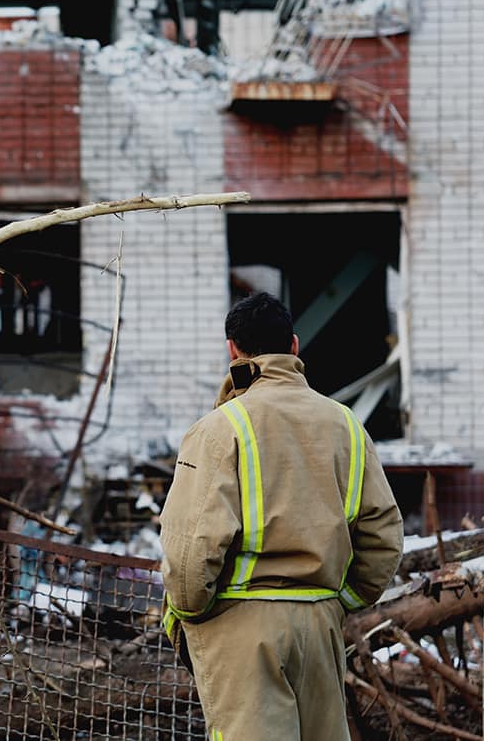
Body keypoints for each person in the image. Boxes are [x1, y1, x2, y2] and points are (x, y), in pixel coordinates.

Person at [159, 291, 403, 740]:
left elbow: (191, 553)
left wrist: (193, 612)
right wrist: (337, 602)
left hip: (241, 626)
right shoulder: (348, 425)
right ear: (294, 346)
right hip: (321, 622)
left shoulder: (218, 430)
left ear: (233, 349)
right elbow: (383, 539)